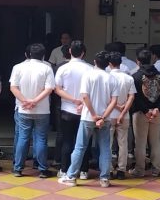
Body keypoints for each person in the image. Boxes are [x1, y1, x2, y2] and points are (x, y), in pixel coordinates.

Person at [58, 51, 118, 188]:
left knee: (80, 147)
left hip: (87, 117)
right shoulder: (111, 78)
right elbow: (114, 101)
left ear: (95, 62)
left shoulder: (88, 75)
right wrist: (103, 117)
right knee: (105, 148)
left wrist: (93, 114)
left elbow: (85, 96)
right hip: (105, 119)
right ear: (108, 64)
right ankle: (104, 178)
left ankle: (71, 176)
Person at [10, 43, 55, 178]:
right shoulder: (47, 68)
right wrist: (34, 101)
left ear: (29, 54)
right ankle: (42, 169)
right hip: (42, 110)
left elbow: (13, 87)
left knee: (23, 138)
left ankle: (18, 168)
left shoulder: (18, 67)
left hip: (23, 109)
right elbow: (49, 89)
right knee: (41, 139)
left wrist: (25, 101)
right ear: (43, 55)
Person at [54, 40, 93, 178]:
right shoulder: (90, 69)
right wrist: (82, 102)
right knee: (85, 142)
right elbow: (91, 91)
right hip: (85, 110)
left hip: (67, 109)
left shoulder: (63, 68)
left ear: (70, 51)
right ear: (83, 53)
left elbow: (57, 89)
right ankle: (84, 170)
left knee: (67, 140)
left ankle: (64, 169)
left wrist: (73, 100)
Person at [130, 49, 160, 177]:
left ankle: (140, 169)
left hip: (141, 113)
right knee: (155, 141)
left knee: (140, 143)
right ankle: (156, 169)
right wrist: (158, 108)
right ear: (152, 59)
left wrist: (145, 110)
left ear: (138, 61)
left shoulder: (135, 77)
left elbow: (135, 97)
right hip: (157, 113)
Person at [107, 51, 136, 179]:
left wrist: (116, 106)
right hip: (124, 115)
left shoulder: (107, 77)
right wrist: (123, 111)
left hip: (109, 114)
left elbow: (107, 97)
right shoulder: (128, 78)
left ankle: (108, 169)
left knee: (108, 143)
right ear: (120, 63)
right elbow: (131, 97)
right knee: (123, 143)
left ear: (109, 63)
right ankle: (121, 170)